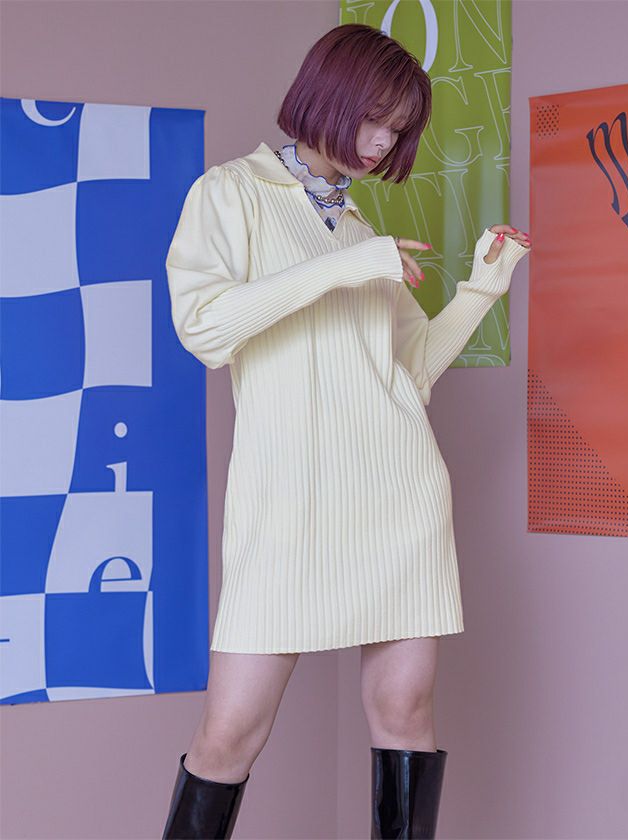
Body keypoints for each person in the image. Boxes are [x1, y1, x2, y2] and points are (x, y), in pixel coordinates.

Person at [161, 21, 531, 840]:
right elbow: (206, 329)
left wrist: (482, 287)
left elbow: (411, 371)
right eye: (373, 118)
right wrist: (344, 267)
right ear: (324, 95)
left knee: (406, 709)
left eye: (397, 130)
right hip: (288, 502)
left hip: (397, 494)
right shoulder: (233, 194)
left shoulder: (361, 231)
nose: (381, 143)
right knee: (229, 733)